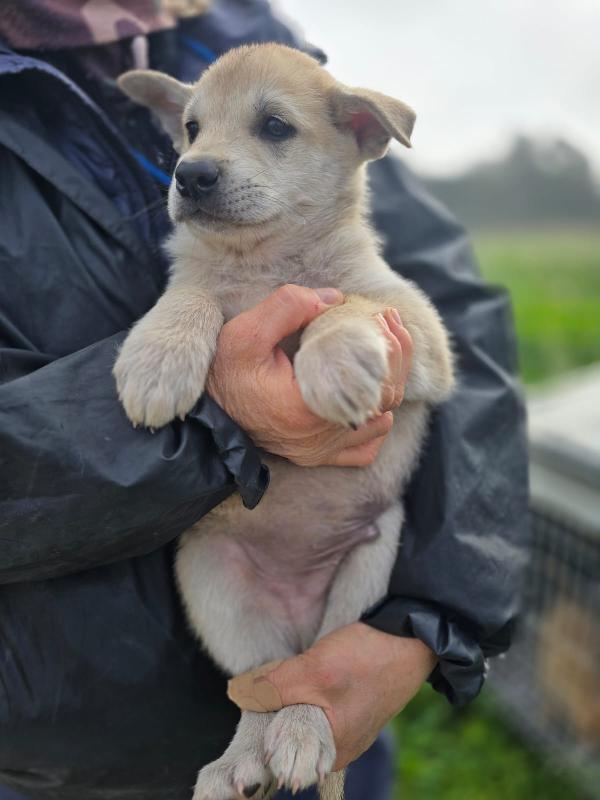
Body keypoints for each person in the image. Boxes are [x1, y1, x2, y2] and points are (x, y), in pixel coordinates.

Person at [0, 2, 528, 799]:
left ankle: (295, 718)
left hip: (356, 559)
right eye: (191, 130)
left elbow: (451, 342)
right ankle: (260, 723)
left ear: (361, 134)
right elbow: (184, 319)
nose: (200, 161)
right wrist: (209, 369)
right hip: (67, 744)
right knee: (216, 569)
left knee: (360, 558)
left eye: (272, 129)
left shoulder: (230, 26)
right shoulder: (200, 257)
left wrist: (425, 624)